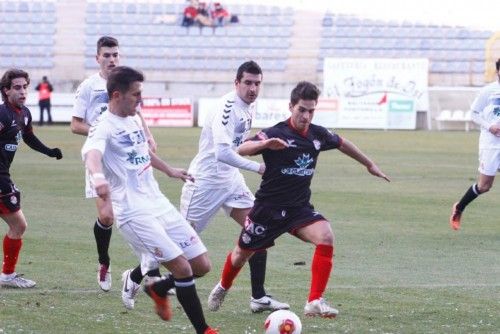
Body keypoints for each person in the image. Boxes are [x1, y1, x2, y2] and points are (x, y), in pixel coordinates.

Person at [207, 81, 390, 318]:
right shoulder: (276, 132)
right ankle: (223, 286)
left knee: (325, 236)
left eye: (311, 110)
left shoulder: (318, 135)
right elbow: (242, 148)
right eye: (301, 109)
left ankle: (314, 301)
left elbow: (343, 144)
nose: (306, 116)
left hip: (298, 210)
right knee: (241, 254)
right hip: (267, 210)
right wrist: (265, 144)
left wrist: (369, 164)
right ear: (291, 106)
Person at [82, 66, 218, 334]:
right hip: (133, 212)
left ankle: (158, 287)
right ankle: (204, 330)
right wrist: (98, 177)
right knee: (181, 267)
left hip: (157, 202)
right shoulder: (102, 126)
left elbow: (143, 152)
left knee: (201, 265)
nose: (140, 100)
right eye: (136, 94)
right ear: (117, 95)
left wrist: (169, 170)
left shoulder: (132, 118)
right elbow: (92, 155)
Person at [179, 60, 289, 313]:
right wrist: (259, 167)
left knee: (260, 230)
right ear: (236, 83)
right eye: (248, 83)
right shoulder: (228, 107)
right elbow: (221, 153)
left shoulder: (247, 106)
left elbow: (236, 146)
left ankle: (258, 297)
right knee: (179, 244)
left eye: (257, 83)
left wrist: (261, 145)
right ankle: (140, 275)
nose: (253, 88)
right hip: (205, 182)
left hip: (230, 181)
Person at [70, 36, 157, 292]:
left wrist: (148, 135)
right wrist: (103, 133)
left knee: (144, 207)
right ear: (97, 58)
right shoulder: (88, 86)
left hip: (128, 158)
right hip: (100, 157)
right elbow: (75, 124)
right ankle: (104, 262)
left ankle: (151, 271)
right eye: (106, 55)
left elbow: (137, 111)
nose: (111, 59)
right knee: (107, 217)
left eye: (115, 55)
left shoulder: (125, 81)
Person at [0, 69, 63, 288]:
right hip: (0, 179)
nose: (23, 91)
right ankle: (7, 275)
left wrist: (48, 151)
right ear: (6, 91)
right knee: (19, 225)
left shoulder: (24, 113)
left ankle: (7, 275)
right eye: (17, 87)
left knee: (18, 226)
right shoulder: (2, 115)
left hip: (4, 176)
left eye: (25, 86)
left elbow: (28, 136)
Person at [450, 58, 500, 230]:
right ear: (498, 72)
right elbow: (474, 114)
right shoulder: (489, 91)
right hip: (491, 144)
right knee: (484, 186)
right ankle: (459, 207)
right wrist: (490, 126)